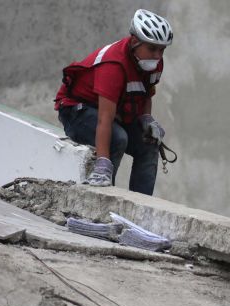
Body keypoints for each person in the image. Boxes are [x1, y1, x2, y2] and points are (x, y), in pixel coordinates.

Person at [54, 9, 173, 195]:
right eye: (152, 48)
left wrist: (146, 118)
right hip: (77, 112)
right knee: (118, 139)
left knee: (150, 143)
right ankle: (106, 196)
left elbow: (146, 94)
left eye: (162, 49)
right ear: (135, 42)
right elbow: (104, 119)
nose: (158, 55)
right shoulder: (113, 65)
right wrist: (102, 163)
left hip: (114, 111)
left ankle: (142, 204)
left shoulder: (154, 63)